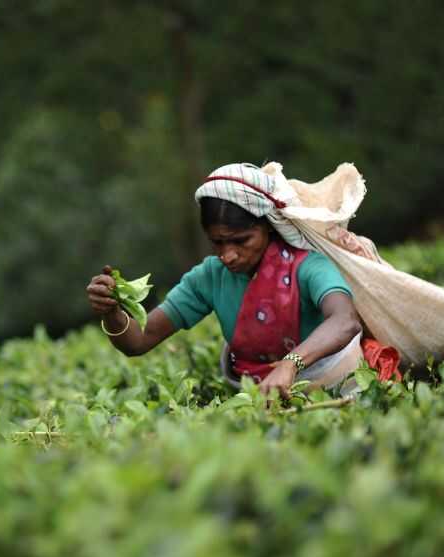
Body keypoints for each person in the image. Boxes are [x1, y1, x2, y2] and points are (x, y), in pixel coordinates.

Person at [86, 163, 372, 400]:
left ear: (268, 227)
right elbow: (139, 340)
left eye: (241, 241)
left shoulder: (308, 266)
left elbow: (345, 320)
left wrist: (290, 364)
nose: (228, 255)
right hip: (257, 397)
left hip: (336, 386)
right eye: (217, 243)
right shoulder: (210, 278)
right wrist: (112, 312)